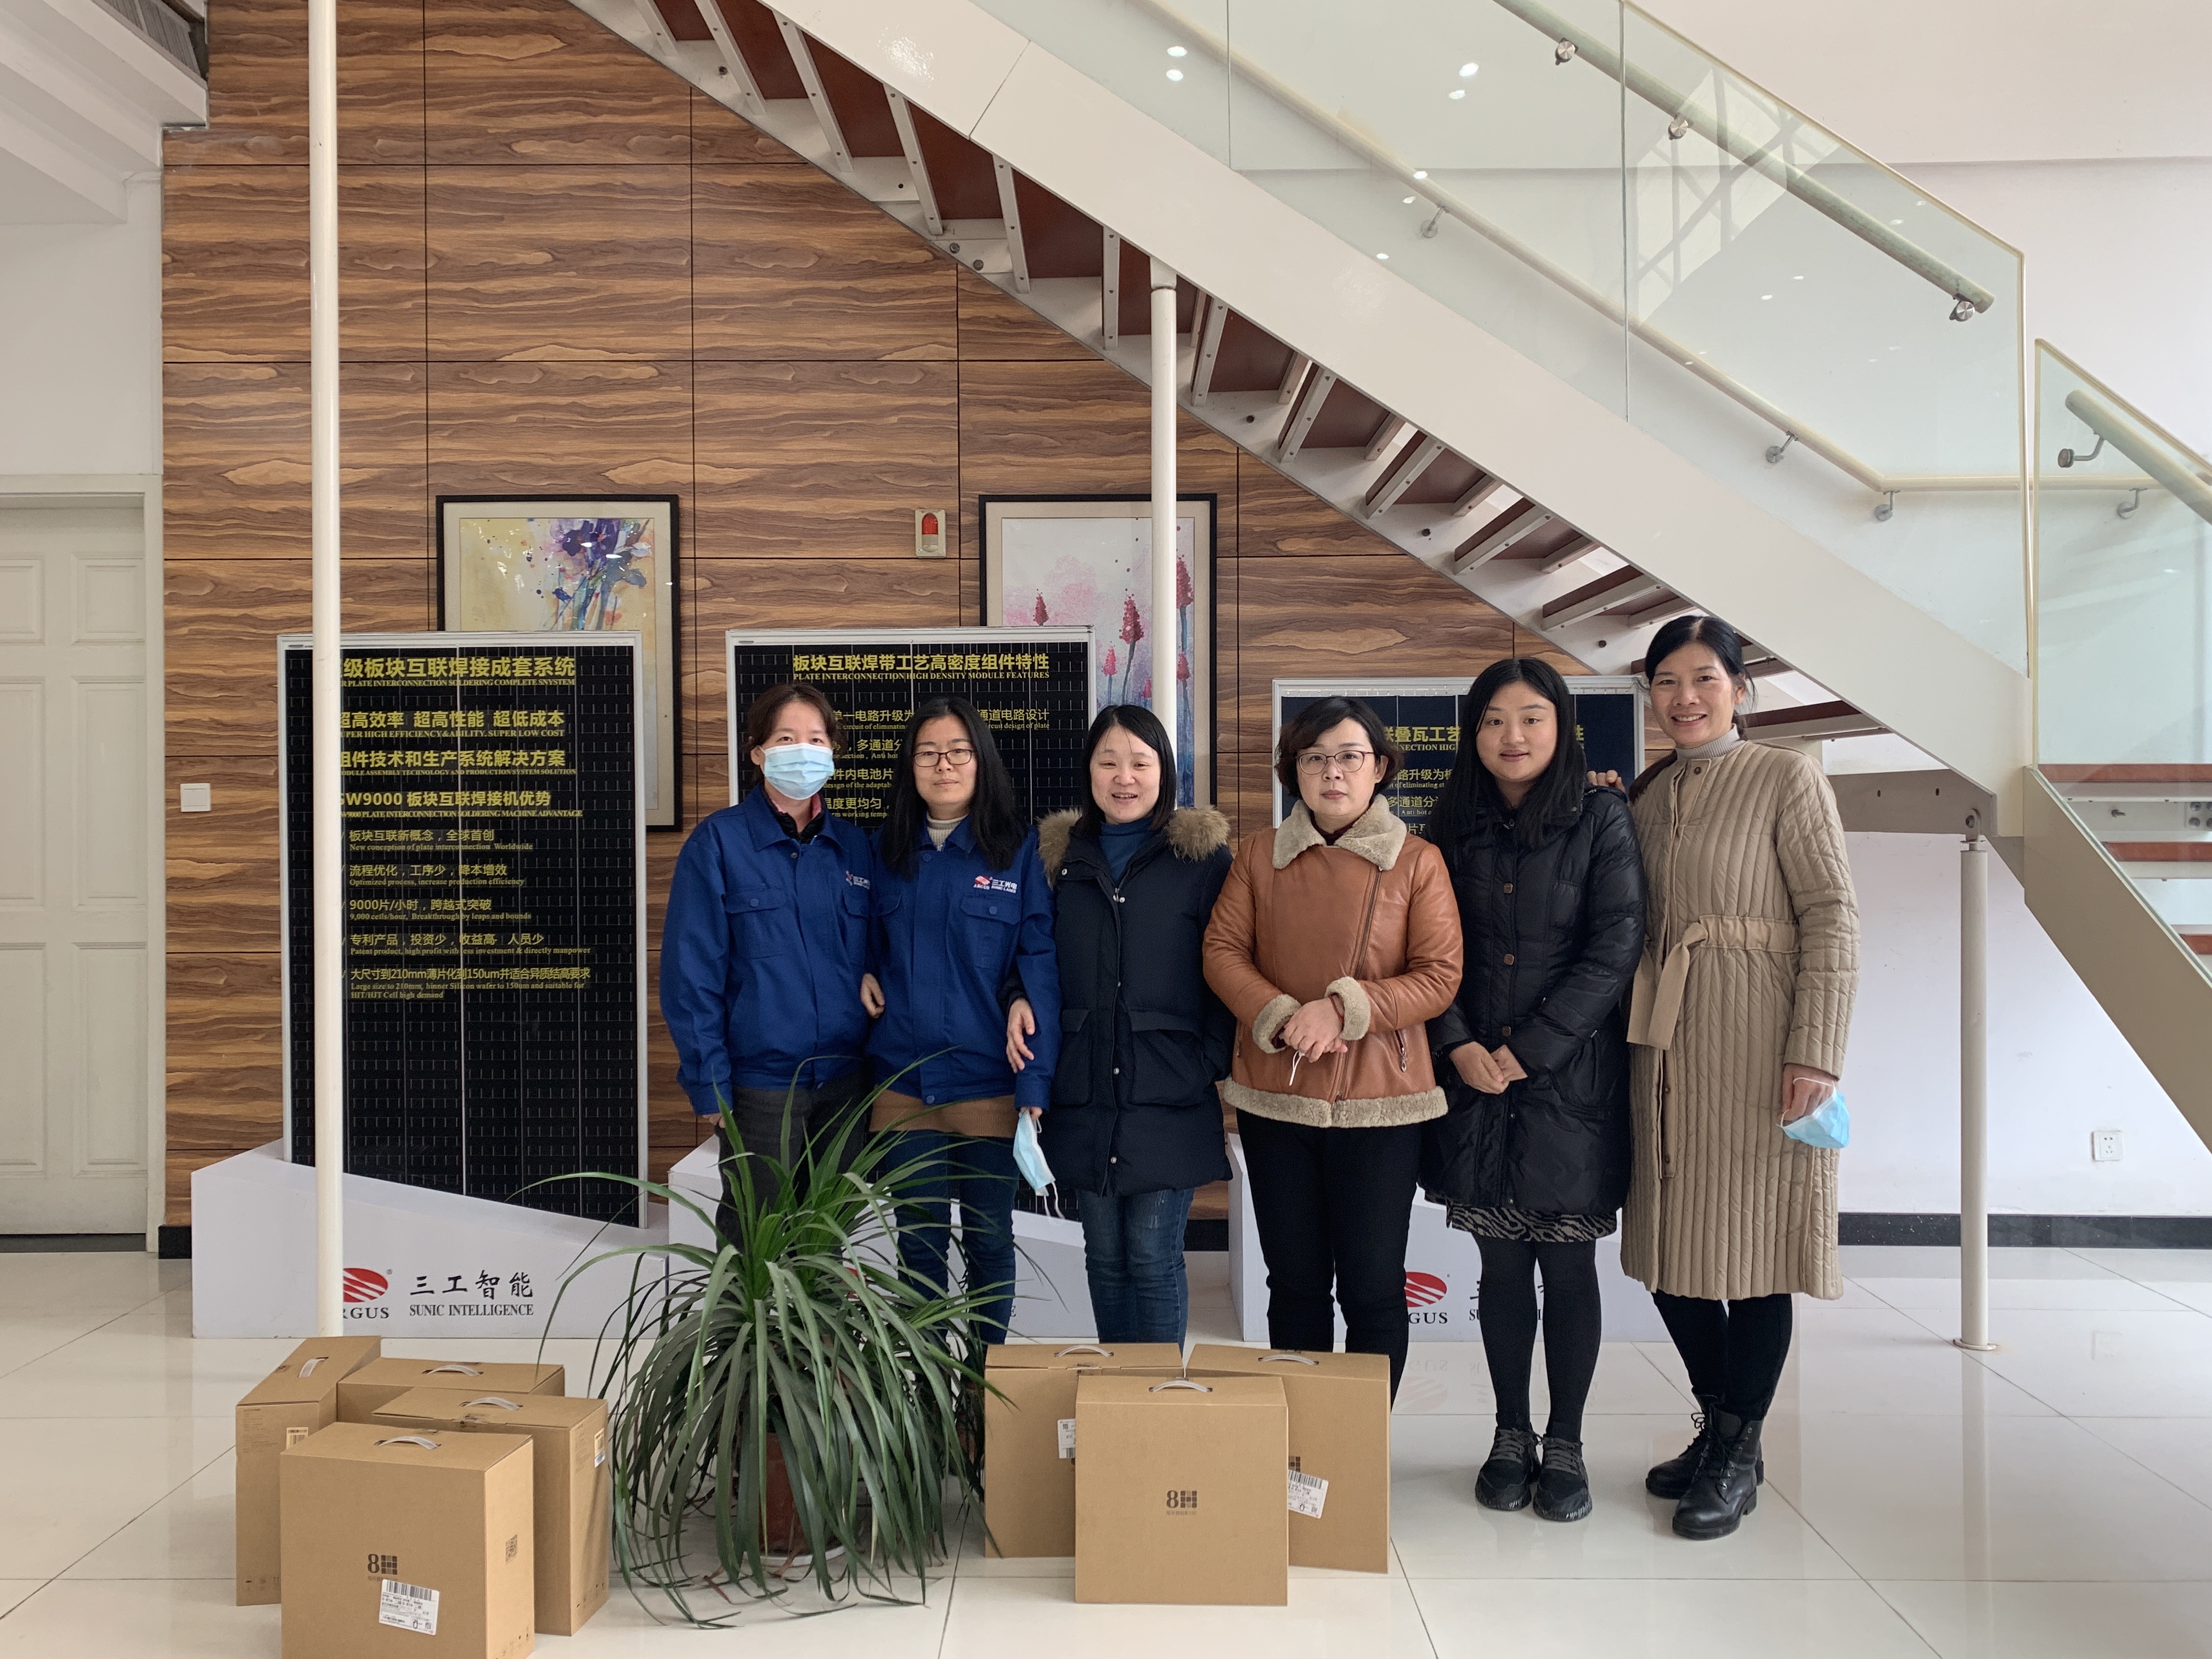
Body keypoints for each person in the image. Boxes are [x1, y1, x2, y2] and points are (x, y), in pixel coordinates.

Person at [1623, 613, 1859, 1541]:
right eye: (1667, 682)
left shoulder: (1786, 777)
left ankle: (1735, 1449)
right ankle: (1724, 1425)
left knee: (1755, 1255)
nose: (1685, 698)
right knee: (1670, 1253)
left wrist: (1816, 1048)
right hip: (1661, 1048)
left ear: (1739, 689)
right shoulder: (1648, 794)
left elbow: (1831, 913)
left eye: (1704, 679)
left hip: (1759, 1046)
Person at [1420, 659, 1645, 1523]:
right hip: (1475, 1080)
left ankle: (1567, 1442)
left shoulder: (1601, 817)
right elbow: (1424, 946)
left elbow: (1616, 944)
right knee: (1501, 1266)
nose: (1512, 737)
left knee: (1569, 1266)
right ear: (1472, 733)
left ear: (1561, 727)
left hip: (1569, 1083)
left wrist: (1530, 1052)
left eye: (1531, 718)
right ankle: (1510, 1434)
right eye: (1493, 720)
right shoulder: (1451, 823)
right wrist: (1459, 1044)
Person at [1202, 697, 1463, 1393]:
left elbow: (1439, 975)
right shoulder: (1257, 854)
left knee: (1374, 1287)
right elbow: (1223, 951)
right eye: (1314, 758)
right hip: (1276, 1097)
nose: (1333, 772)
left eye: (1350, 756)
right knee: (1294, 1283)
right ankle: (1305, 1431)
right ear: (1294, 771)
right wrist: (1283, 1014)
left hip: (1381, 1104)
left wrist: (1344, 1009)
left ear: (1379, 767)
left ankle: (1361, 1438)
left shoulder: (1418, 861)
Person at [1013, 705, 1234, 1345]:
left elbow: (1229, 964)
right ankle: (1117, 1396)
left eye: (1141, 762)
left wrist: (1208, 1059)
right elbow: (1023, 952)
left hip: (1169, 1086)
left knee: (1153, 1257)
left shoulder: (1202, 860)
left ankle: (1155, 1399)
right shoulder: (1056, 858)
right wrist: (1016, 997)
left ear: (1165, 770)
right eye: (1108, 762)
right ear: (1089, 771)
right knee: (1105, 1260)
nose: (1125, 777)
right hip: (1082, 1086)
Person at [863, 695, 1059, 1347]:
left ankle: (982, 1392)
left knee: (989, 1243)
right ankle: (923, 1397)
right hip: (904, 1084)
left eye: (958, 752)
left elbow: (1038, 963)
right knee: (917, 1248)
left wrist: (1034, 1083)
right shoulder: (883, 852)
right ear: (910, 766)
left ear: (981, 761)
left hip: (988, 1082)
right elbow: (854, 941)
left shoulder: (1016, 853)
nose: (943, 765)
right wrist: (860, 971)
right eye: (928, 753)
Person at [660, 682, 876, 1235]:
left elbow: (880, 946)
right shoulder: (718, 843)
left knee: (828, 1237)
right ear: (757, 753)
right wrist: (709, 1082)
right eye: (786, 738)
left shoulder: (855, 847)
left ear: (833, 752)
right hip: (760, 1086)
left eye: (816, 739)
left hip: (846, 1082)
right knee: (757, 1241)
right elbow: (691, 974)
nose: (803, 750)